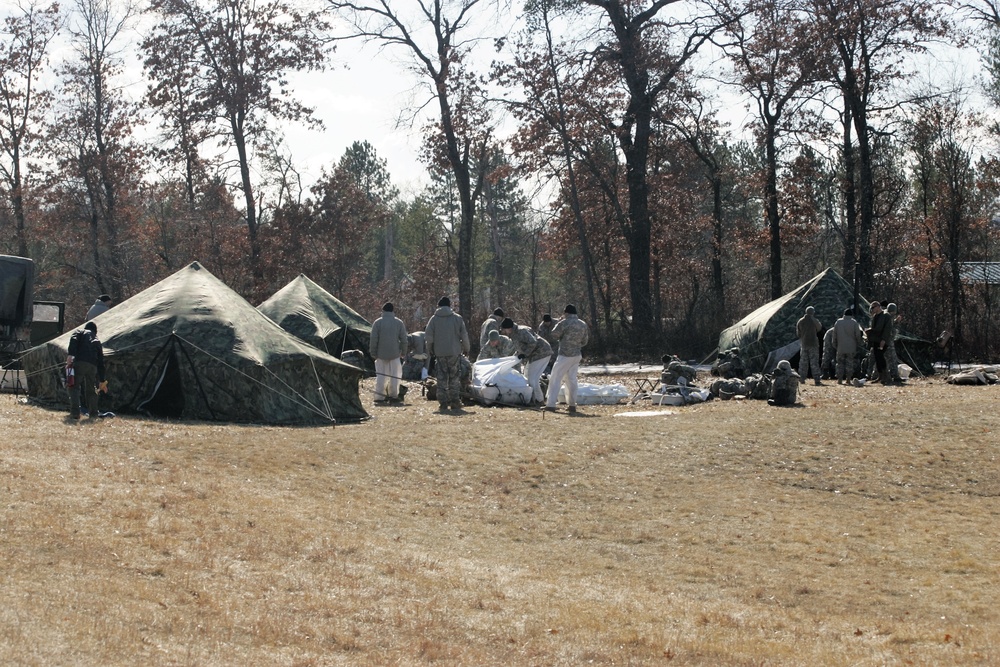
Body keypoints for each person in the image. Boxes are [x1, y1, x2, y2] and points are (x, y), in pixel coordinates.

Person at [425, 296, 470, 410]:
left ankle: (443, 402)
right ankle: (455, 401)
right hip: (454, 352)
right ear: (450, 305)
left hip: (439, 353)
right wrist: (466, 348)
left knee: (441, 378)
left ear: (439, 306)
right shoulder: (457, 318)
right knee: (454, 377)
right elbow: (464, 335)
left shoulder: (434, 319)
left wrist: (430, 349)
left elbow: (429, 338)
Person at [545, 305, 589, 413]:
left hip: (565, 355)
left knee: (555, 378)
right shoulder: (582, 324)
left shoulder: (564, 323)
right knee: (571, 380)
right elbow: (585, 341)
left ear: (566, 313)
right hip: (576, 355)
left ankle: (550, 404)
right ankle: (572, 405)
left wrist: (559, 323)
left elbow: (554, 334)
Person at [500, 316, 552, 406]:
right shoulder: (514, 334)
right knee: (527, 376)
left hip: (542, 353)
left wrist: (525, 354)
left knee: (532, 379)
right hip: (535, 355)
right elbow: (521, 347)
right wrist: (514, 357)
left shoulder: (521, 331)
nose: (504, 332)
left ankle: (539, 400)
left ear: (509, 328)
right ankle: (533, 399)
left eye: (504, 330)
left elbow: (533, 342)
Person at [369, 302, 408, 403]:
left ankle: (379, 397)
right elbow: (404, 339)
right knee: (395, 376)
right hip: (395, 354)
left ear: (383, 311)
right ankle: (393, 395)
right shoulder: (399, 323)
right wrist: (403, 351)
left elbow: (373, 339)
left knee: (381, 376)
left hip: (380, 354)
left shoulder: (377, 323)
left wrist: (373, 353)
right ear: (392, 311)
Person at [67, 321, 107, 420]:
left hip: (80, 362)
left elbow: (73, 338)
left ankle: (75, 412)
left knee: (74, 387)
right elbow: (101, 361)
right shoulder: (97, 340)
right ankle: (93, 413)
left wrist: (71, 354)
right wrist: (102, 381)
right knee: (91, 389)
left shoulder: (80, 332)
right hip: (92, 366)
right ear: (95, 331)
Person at [832, 307, 865, 384]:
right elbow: (857, 335)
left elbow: (834, 335)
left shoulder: (838, 322)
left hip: (840, 347)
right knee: (849, 363)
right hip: (851, 347)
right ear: (851, 315)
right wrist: (859, 343)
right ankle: (848, 379)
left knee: (840, 363)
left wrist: (835, 345)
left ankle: (839, 379)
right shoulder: (854, 323)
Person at [796, 306, 823, 386]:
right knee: (814, 362)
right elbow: (819, 328)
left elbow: (798, 333)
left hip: (804, 344)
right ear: (813, 312)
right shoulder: (814, 320)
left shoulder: (800, 321)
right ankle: (817, 379)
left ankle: (802, 378)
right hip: (813, 344)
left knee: (803, 362)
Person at [867, 301, 892, 385]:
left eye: (873, 308)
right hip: (875, 340)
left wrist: (883, 340)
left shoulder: (886, 316)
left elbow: (887, 329)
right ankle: (880, 376)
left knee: (881, 357)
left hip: (882, 340)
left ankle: (885, 376)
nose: (872, 309)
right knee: (877, 357)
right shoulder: (875, 317)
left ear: (878, 306)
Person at [885, 302, 902, 383]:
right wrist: (897, 323)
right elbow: (892, 331)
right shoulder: (890, 317)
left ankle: (878, 375)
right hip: (889, 342)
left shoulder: (884, 316)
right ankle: (895, 375)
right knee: (893, 359)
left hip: (883, 341)